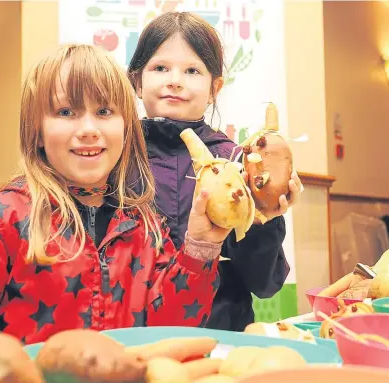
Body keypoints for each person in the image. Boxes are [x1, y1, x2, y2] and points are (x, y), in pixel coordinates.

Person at [0, 44, 230, 363]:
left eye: (104, 112)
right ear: (38, 131)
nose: (88, 130)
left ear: (126, 129)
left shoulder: (146, 226)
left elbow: (171, 338)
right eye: (66, 112)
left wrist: (200, 247)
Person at [128, 12, 303, 331]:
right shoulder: (117, 157)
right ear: (137, 81)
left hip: (221, 333)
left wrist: (266, 217)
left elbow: (265, 285)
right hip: (135, 335)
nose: (175, 80)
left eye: (192, 70)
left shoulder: (238, 162)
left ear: (214, 88)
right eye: (160, 68)